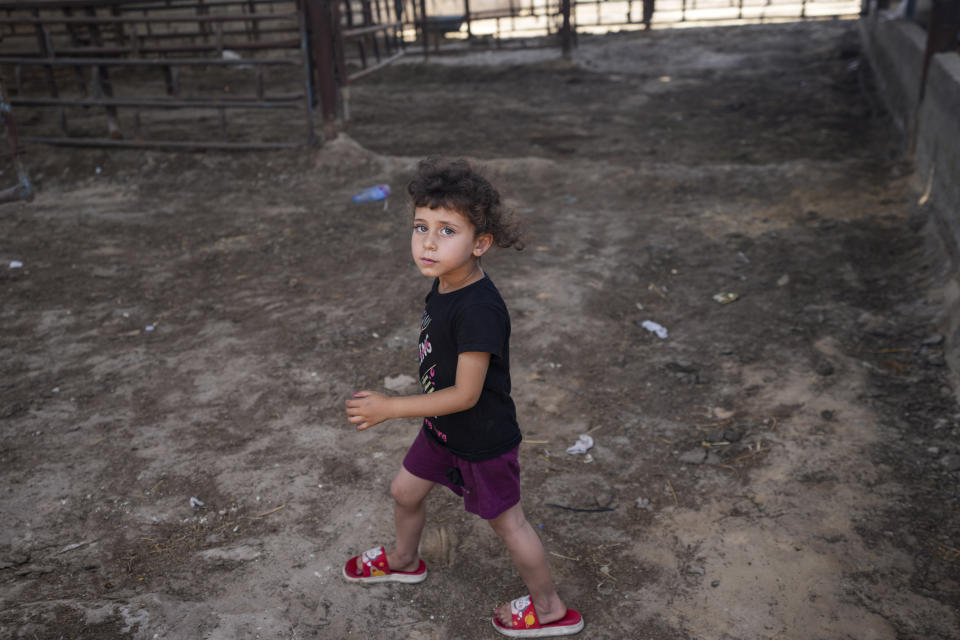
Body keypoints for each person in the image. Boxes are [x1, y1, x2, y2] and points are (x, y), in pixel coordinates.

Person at [343, 158, 584, 638]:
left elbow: (466, 394)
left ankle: (551, 607)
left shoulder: (479, 310)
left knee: (509, 524)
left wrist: (390, 407)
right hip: (441, 431)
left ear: (480, 243)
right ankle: (404, 559)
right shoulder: (445, 282)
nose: (428, 242)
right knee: (404, 492)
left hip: (481, 441)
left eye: (447, 230)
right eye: (420, 226)